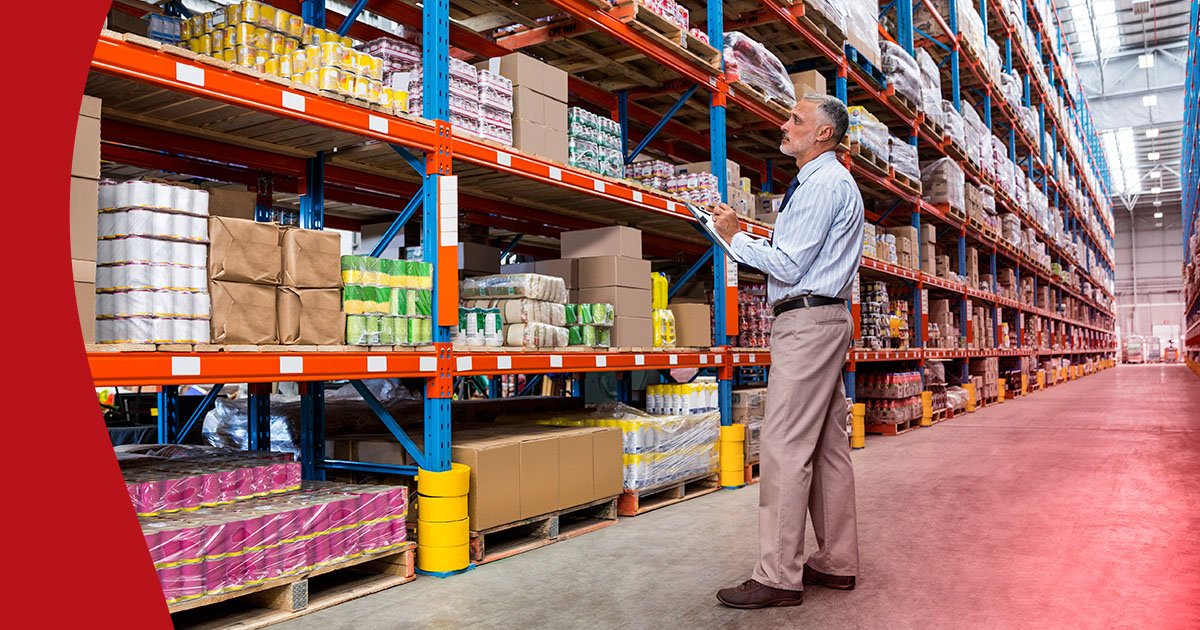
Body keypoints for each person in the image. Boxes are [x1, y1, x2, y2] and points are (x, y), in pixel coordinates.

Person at [712, 94, 865, 609]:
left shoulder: (823, 183)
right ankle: (837, 562)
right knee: (826, 446)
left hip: (807, 321)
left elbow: (790, 264)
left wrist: (733, 237)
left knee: (782, 445)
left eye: (796, 120)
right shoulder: (826, 181)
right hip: (823, 319)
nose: (785, 124)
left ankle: (778, 574)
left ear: (824, 134)